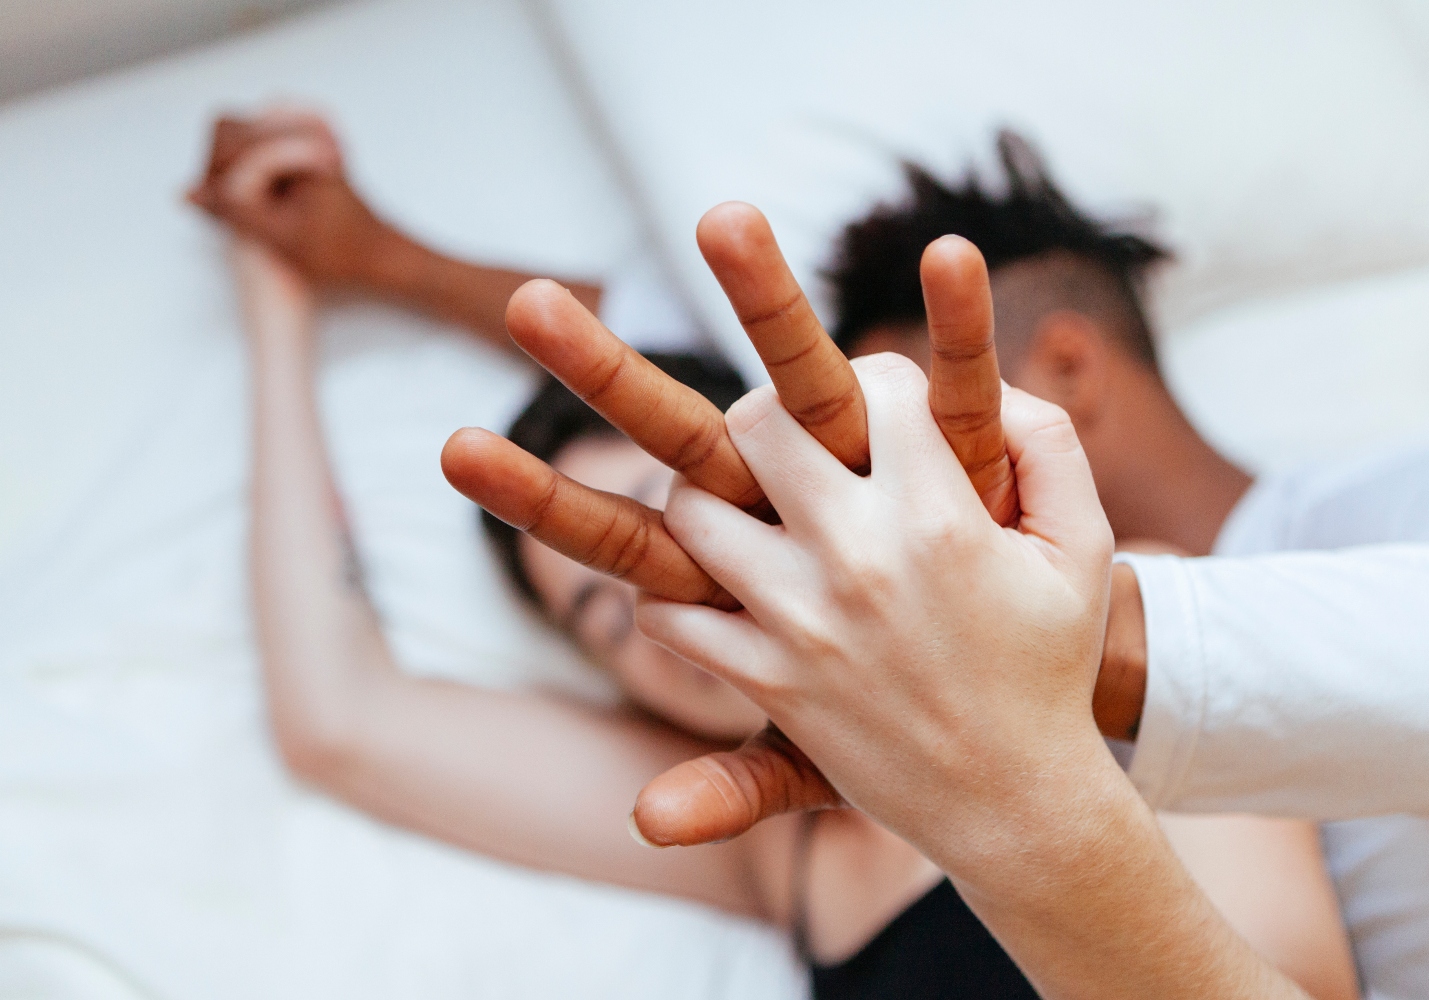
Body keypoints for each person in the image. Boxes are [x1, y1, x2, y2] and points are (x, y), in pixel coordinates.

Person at [195, 110, 1358, 998]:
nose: (660, 586)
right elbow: (341, 720)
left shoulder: (1097, 612)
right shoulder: (772, 846)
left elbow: (1300, 980)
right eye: (604, 610)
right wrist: (273, 294)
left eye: (667, 517)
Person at [446, 138, 1429, 998]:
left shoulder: (1418, 517)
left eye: (913, 431)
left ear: (1065, 370)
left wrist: (1048, 684)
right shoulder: (835, 789)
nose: (888, 490)